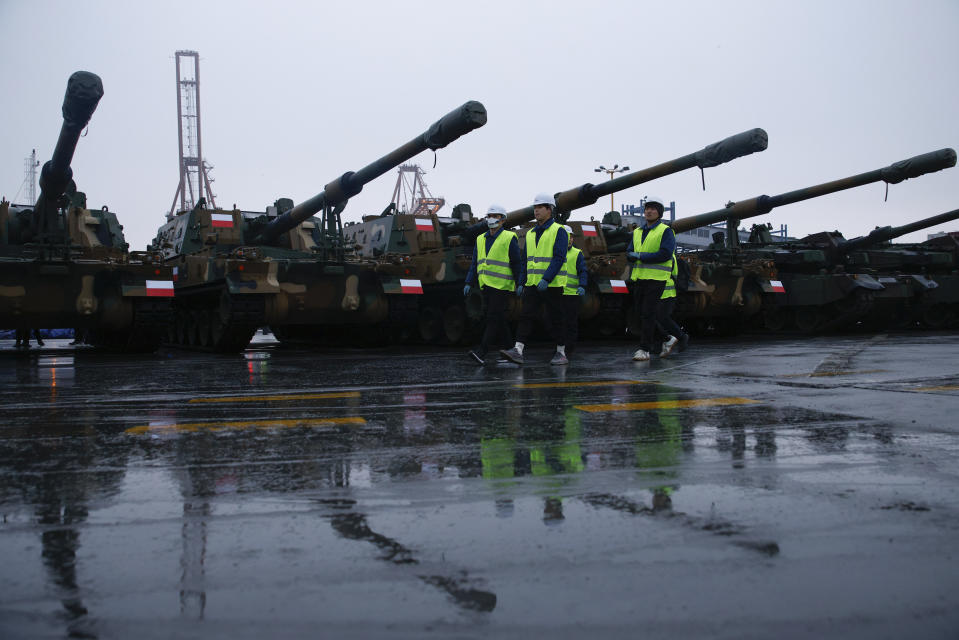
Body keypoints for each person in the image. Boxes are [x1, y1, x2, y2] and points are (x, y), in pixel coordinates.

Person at [500, 193, 569, 366]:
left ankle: (561, 352)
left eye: (540, 207)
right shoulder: (530, 234)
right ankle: (518, 350)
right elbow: (525, 260)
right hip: (532, 284)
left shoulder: (559, 231)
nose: (536, 210)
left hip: (551, 284)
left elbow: (559, 258)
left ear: (549, 209)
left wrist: (546, 278)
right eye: (535, 207)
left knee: (555, 318)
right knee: (526, 316)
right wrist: (521, 282)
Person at [463, 204, 524, 364]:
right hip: (486, 286)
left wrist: (520, 283)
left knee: (492, 318)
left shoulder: (509, 237)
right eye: (489, 216)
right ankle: (512, 351)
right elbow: (475, 263)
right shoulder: (480, 239)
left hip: (502, 285)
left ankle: (482, 352)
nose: (492, 219)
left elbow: (517, 263)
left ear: (503, 220)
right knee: (499, 319)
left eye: (496, 216)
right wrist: (469, 281)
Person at [626, 196, 676, 361]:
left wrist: (640, 256)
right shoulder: (637, 232)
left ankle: (644, 349)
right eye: (647, 208)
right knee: (642, 313)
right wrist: (631, 256)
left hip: (656, 279)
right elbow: (630, 251)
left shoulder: (665, 231)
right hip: (640, 278)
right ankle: (667, 338)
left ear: (659, 212)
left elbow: (665, 253)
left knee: (647, 313)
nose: (649, 211)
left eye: (653, 208)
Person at [656, 252, 690, 357]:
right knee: (658, 318)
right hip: (662, 291)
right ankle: (663, 342)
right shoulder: (668, 255)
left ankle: (679, 336)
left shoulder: (667, 256)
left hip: (666, 292)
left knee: (661, 317)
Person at [560, 225, 587, 354]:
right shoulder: (554, 252)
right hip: (557, 293)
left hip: (571, 294)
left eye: (571, 237)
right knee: (557, 322)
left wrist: (582, 285)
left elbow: (582, 271)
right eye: (567, 237)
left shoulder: (577, 253)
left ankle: (569, 348)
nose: (570, 239)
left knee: (570, 323)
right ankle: (559, 346)